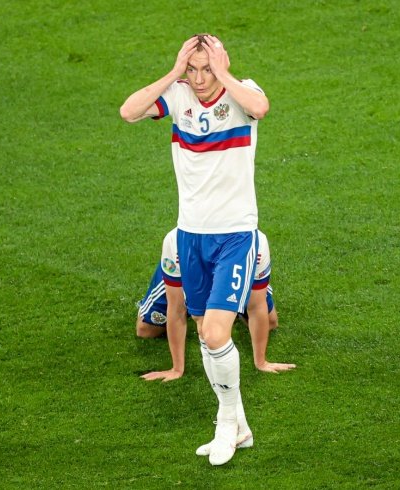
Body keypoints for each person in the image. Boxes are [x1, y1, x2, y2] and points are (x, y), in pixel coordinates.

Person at [120, 33, 270, 466]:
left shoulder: (243, 92)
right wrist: (173, 72)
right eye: (193, 69)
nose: (200, 79)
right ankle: (240, 426)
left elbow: (261, 108)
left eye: (207, 69)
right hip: (190, 235)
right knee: (207, 335)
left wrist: (223, 72)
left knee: (217, 334)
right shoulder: (178, 95)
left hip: (235, 235)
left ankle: (225, 424)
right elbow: (128, 112)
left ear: (222, 63)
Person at [136, 228, 294, 381]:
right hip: (187, 268)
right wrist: (177, 368)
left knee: (270, 322)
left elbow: (257, 306)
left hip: (235, 262)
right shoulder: (176, 240)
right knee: (146, 330)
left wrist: (261, 362)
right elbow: (176, 307)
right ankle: (200, 300)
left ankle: (229, 303)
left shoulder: (255, 241)